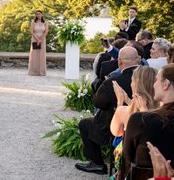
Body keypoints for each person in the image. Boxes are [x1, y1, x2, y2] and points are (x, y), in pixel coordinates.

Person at [75, 46, 139, 175]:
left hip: (117, 125)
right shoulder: (149, 77)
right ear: (138, 59)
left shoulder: (113, 81)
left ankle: (98, 164)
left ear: (119, 61)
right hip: (143, 121)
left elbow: (98, 102)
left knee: (85, 124)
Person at [123, 64, 174, 177]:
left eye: (156, 80)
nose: (154, 85)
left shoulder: (141, 120)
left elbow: (128, 156)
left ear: (165, 84)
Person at [110, 66, 160, 179]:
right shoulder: (164, 111)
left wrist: (120, 103)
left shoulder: (123, 112)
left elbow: (116, 132)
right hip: (160, 168)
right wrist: (128, 101)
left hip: (130, 168)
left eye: (132, 81)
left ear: (135, 85)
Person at [28, 10, 48, 76]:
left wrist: (41, 39)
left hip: (42, 40)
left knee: (42, 55)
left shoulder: (45, 22)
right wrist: (37, 39)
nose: (38, 15)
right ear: (35, 15)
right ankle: (34, 71)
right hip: (35, 39)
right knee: (34, 55)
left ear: (42, 14)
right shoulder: (33, 22)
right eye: (37, 14)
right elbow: (31, 31)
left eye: (39, 14)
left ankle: (41, 72)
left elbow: (46, 31)